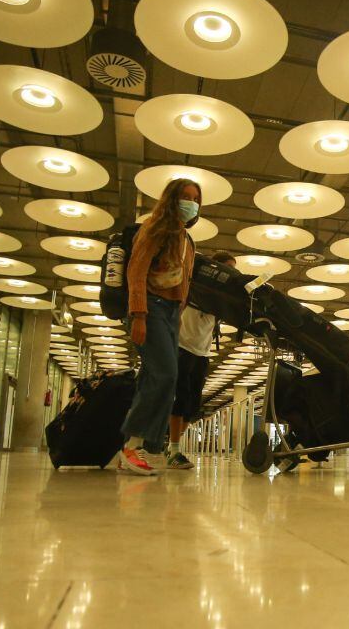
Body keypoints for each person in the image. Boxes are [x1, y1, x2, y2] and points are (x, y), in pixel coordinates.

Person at [117, 178, 201, 476]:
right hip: (149, 308)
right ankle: (132, 446)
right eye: (185, 196)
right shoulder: (154, 229)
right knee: (166, 374)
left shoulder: (187, 240)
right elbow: (136, 270)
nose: (191, 203)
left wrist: (177, 313)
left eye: (195, 198)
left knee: (158, 376)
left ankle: (136, 446)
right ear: (171, 200)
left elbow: (184, 280)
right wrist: (138, 314)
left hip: (169, 314)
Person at [165, 251, 237, 470]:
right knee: (181, 397)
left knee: (193, 404)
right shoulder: (194, 286)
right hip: (182, 346)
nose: (233, 274)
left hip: (202, 353)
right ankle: (174, 449)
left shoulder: (220, 299)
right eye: (229, 268)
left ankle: (172, 445)